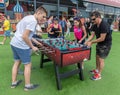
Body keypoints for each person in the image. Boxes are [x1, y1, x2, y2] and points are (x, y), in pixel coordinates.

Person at [10, 6, 47, 91]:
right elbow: (24, 36)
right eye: (43, 16)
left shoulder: (28, 17)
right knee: (27, 65)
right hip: (21, 45)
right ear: (38, 13)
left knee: (17, 63)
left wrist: (37, 43)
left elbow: (26, 34)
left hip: (14, 43)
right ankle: (27, 86)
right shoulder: (33, 21)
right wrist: (32, 47)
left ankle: (14, 83)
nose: (44, 19)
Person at [85, 11, 112, 80]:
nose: (92, 21)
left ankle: (99, 74)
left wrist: (91, 42)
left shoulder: (104, 25)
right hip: (99, 43)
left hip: (106, 44)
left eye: (94, 19)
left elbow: (102, 38)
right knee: (97, 56)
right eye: (92, 19)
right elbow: (92, 35)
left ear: (99, 17)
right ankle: (97, 70)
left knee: (101, 59)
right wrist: (87, 41)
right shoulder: (94, 25)